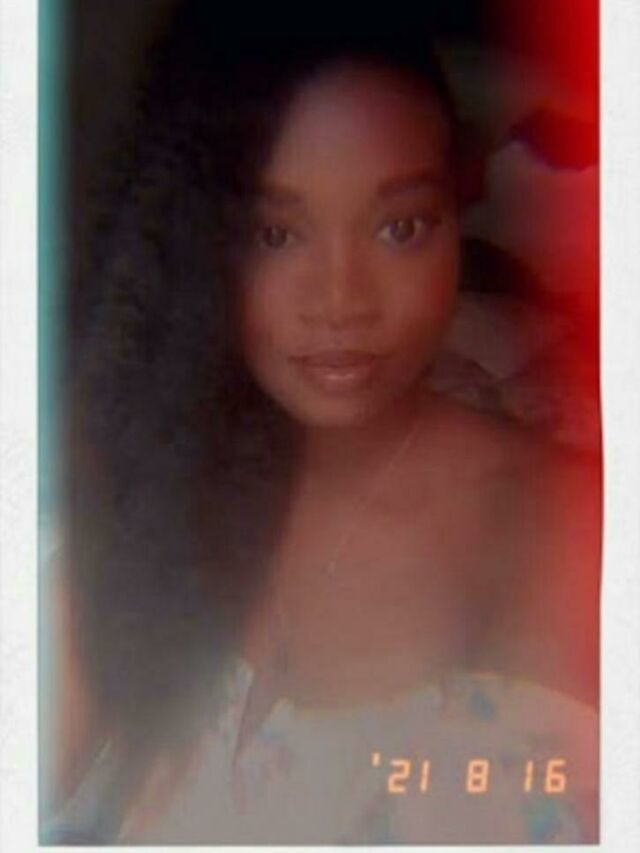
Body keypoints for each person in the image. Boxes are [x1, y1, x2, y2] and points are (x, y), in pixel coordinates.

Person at [44, 4, 600, 844]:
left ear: (457, 213)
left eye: (400, 227)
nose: (341, 300)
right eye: (275, 234)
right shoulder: (138, 484)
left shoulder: (574, 527)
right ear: (197, 246)